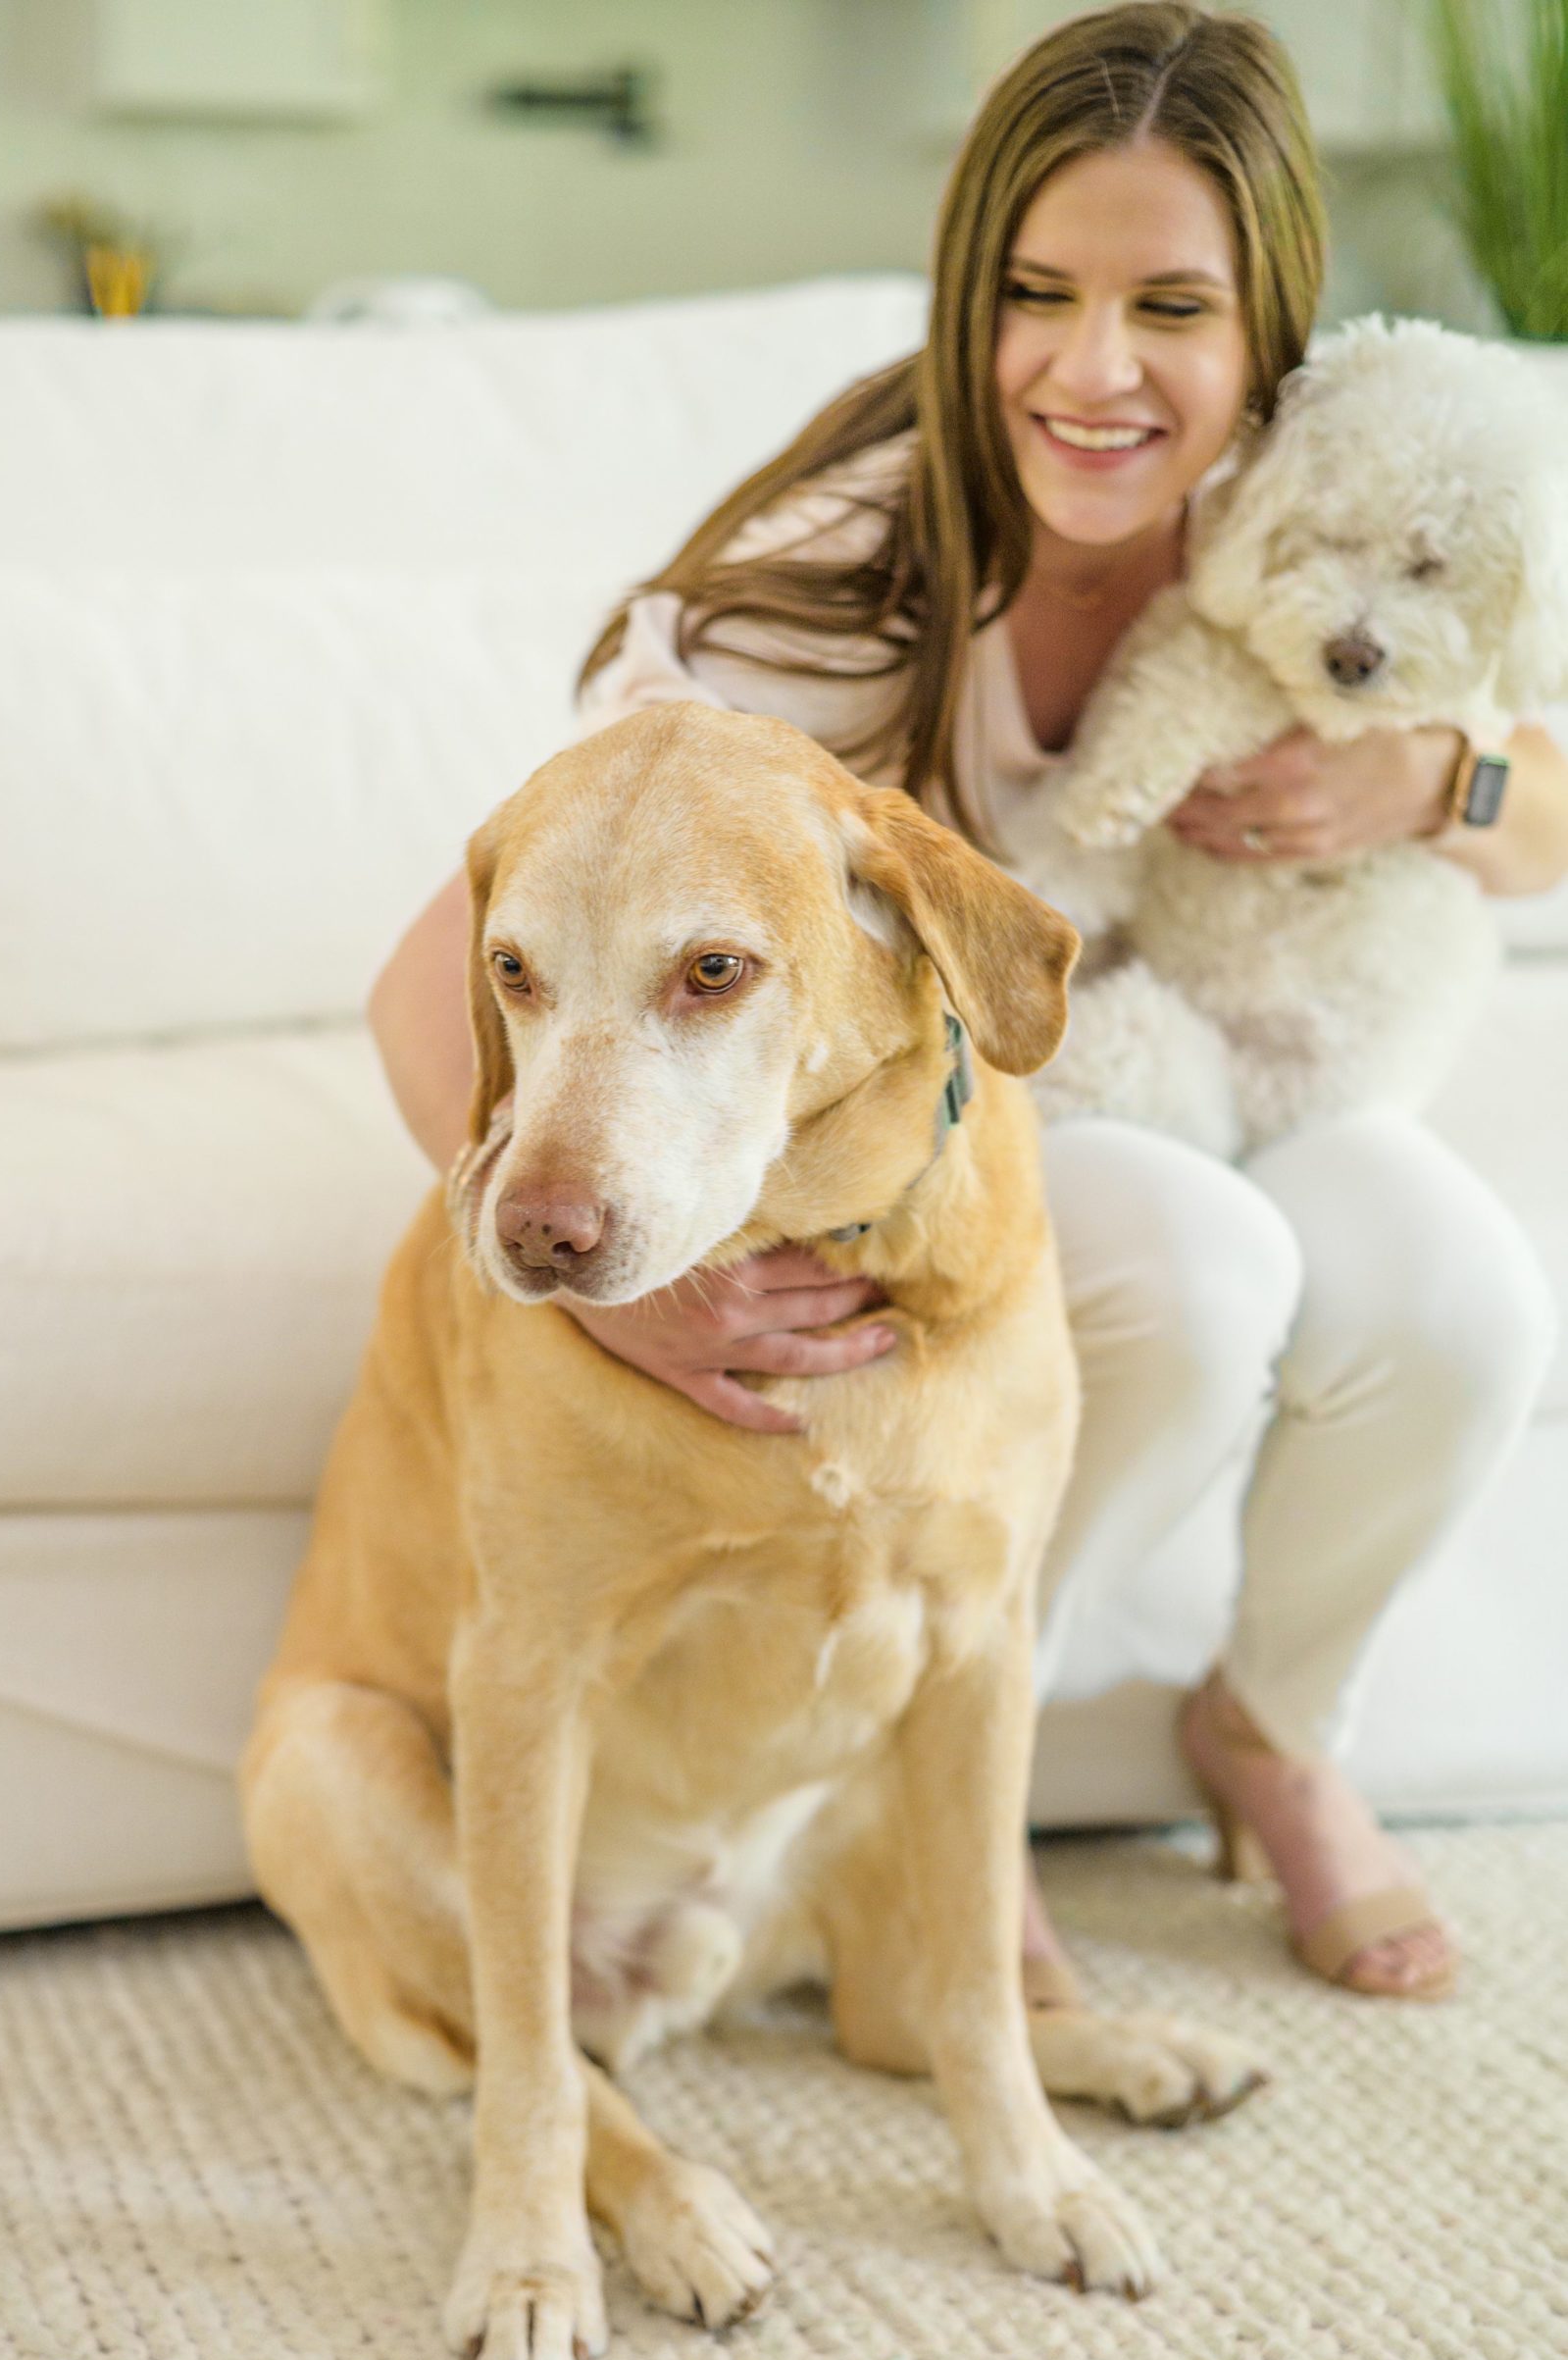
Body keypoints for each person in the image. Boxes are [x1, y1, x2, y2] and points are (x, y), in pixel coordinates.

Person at [369, 3, 1566, 2013]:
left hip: (1264, 1043)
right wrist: (601, 1279)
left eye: (1168, 305)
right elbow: (445, 975)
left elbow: (1551, 795)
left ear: (1267, 328)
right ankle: (937, 1805)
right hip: (1008, 1123)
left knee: (1462, 1285)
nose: (1094, 370)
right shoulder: (813, 596)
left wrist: (1444, 782)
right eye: (1038, 294)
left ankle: (1273, 1731)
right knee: (1201, 1264)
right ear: (966, 297)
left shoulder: (1322, 517)